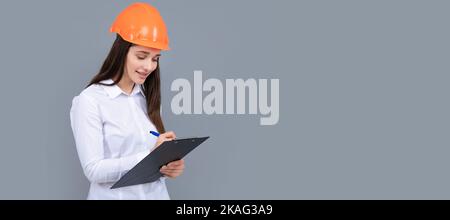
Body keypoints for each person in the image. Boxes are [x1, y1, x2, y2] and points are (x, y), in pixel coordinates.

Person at [70, 2, 184, 200]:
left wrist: (168, 166)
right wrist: (149, 155)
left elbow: (151, 166)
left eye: (155, 59)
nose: (149, 66)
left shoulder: (148, 99)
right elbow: (93, 170)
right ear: (122, 52)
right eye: (141, 56)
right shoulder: (90, 101)